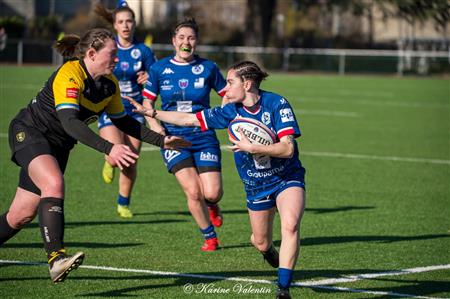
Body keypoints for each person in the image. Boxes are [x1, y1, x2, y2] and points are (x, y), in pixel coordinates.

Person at [0, 28, 189, 283]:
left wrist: (162, 140)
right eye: (112, 55)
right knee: (54, 183)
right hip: (30, 132)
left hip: (58, 146)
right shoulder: (70, 73)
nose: (117, 60)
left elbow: (124, 122)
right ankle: (56, 258)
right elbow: (70, 123)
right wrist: (110, 148)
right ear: (91, 53)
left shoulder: (110, 85)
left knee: (20, 215)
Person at [128, 61, 306, 299]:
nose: (226, 88)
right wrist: (152, 113)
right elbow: (190, 119)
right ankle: (268, 251)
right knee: (261, 242)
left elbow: (287, 150)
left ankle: (283, 289)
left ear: (248, 83)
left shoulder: (276, 103)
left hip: (286, 177)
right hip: (256, 185)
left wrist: (253, 147)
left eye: (231, 82)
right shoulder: (230, 111)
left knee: (291, 225)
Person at [141, 18, 227, 251]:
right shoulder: (159, 69)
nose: (186, 42)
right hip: (173, 137)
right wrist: (155, 127)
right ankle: (209, 236)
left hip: (203, 134)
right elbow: (147, 101)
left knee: (212, 192)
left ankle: (212, 204)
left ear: (196, 42)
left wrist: (227, 117)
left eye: (191, 38)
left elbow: (226, 94)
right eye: (181, 37)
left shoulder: (208, 67)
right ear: (173, 41)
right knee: (192, 190)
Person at [95, 1, 157, 218]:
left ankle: (123, 203)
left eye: (129, 21)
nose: (125, 25)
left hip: (133, 111)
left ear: (134, 23)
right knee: (115, 156)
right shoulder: (107, 46)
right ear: (114, 25)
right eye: (121, 21)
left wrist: (150, 78)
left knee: (130, 160)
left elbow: (157, 81)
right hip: (109, 108)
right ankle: (108, 161)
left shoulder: (143, 51)